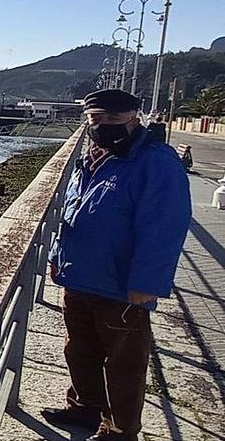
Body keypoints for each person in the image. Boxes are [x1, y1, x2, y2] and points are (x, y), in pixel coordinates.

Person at [42, 89, 192, 440]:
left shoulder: (156, 162)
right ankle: (84, 408)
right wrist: (56, 258)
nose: (102, 126)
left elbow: (165, 227)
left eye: (112, 119)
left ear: (133, 119)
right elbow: (74, 212)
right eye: (95, 119)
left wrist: (146, 283)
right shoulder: (94, 156)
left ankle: (120, 430)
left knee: (123, 362)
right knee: (79, 349)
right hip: (79, 276)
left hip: (122, 286)